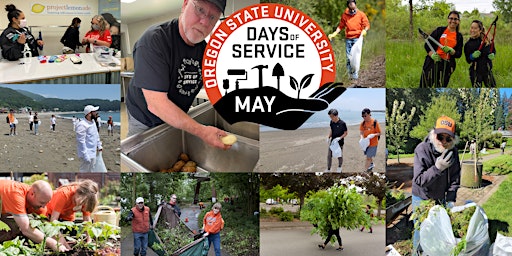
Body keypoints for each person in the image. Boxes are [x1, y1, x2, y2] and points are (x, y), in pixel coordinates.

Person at [125, 0, 230, 150]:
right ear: (185, 4)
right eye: (200, 10)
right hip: (144, 119)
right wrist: (203, 132)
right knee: (139, 155)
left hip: (177, 117)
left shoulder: (205, 52)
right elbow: (157, 104)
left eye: (213, 17)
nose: (205, 22)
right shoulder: (154, 40)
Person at [412, 115, 461, 254]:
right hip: (422, 197)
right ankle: (417, 253)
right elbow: (419, 180)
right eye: (440, 137)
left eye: (448, 138)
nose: (443, 142)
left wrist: (451, 198)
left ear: (453, 139)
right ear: (434, 134)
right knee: (421, 230)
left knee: (438, 228)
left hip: (440, 197)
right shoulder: (422, 149)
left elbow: (455, 177)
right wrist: (437, 168)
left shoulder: (453, 152)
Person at [0, 180, 68, 252]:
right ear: (32, 194)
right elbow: (26, 229)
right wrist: (52, 243)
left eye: (46, 203)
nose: (43, 206)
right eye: (42, 202)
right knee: (19, 227)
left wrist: (62, 242)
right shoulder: (15, 193)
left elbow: (48, 227)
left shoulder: (39, 204)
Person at [46, 179, 99, 249]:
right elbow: (53, 220)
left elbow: (87, 220)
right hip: (50, 214)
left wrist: (89, 239)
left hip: (67, 217)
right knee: (56, 240)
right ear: (77, 193)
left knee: (72, 237)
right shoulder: (64, 194)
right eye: (82, 203)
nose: (82, 205)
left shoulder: (87, 198)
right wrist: (63, 243)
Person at [327, 0, 369, 83]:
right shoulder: (345, 15)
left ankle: (355, 74)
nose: (352, 4)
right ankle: (349, 74)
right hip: (348, 38)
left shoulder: (361, 14)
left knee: (356, 57)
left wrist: (365, 30)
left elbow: (367, 25)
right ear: (348, 5)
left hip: (357, 38)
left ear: (355, 4)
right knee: (349, 57)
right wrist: (334, 33)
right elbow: (341, 26)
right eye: (350, 3)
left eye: (353, 2)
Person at [420, 11, 463, 87]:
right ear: (447, 20)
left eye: (455, 19)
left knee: (440, 89)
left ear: (458, 21)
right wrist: (432, 55)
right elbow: (427, 45)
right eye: (451, 18)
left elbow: (459, 54)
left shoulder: (459, 36)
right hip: (432, 62)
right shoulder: (440, 30)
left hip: (446, 66)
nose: (453, 21)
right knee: (424, 86)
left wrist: (452, 51)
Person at [464, 20, 496, 87]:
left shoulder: (487, 40)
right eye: (472, 28)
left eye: (475, 28)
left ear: (480, 30)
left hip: (487, 70)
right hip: (475, 71)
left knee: (493, 88)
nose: (473, 30)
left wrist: (493, 54)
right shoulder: (468, 44)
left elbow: (493, 50)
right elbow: (468, 60)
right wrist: (472, 56)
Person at [75, 105, 103, 172]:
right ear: (89, 114)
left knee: (92, 170)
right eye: (94, 111)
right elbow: (81, 141)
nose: (96, 113)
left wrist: (99, 145)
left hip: (93, 153)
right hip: (86, 154)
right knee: (84, 171)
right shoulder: (82, 124)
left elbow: (96, 135)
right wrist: (85, 155)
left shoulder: (93, 122)